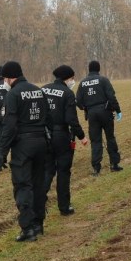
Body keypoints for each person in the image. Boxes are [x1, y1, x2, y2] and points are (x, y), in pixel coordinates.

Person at [0, 61, 53, 242]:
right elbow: (48, 118)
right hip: (41, 142)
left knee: (22, 185)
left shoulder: (13, 94)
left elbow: (10, 125)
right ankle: (38, 224)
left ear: (9, 77)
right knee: (38, 184)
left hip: (23, 145)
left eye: (5, 78)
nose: (4, 81)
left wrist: (1, 151)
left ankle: (27, 228)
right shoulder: (38, 90)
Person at [42, 64, 87, 217]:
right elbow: (71, 119)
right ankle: (64, 206)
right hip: (61, 135)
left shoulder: (42, 89)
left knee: (47, 170)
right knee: (63, 172)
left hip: (44, 135)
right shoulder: (67, 93)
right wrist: (81, 136)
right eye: (72, 78)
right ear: (67, 78)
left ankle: (39, 202)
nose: (73, 81)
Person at [75, 60, 122, 174]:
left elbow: (78, 101)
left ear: (89, 69)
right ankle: (114, 164)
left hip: (92, 114)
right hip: (105, 112)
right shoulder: (103, 80)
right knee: (110, 138)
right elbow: (111, 96)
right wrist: (118, 110)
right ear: (99, 69)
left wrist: (85, 108)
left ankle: (96, 168)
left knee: (96, 140)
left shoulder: (83, 83)